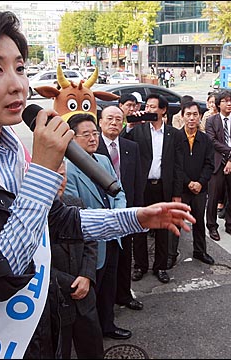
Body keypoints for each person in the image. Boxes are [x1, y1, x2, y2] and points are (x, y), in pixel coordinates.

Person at [0, 9, 195, 358]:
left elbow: (57, 219)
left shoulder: (6, 148)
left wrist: (136, 218)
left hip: (37, 335)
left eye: (19, 67)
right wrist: (44, 170)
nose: (18, 84)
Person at [64, 113, 131, 341]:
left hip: (113, 234)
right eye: (87, 134)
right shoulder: (68, 169)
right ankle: (90, 337)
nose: (93, 138)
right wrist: (105, 222)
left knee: (109, 286)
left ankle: (108, 325)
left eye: (94, 133)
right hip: (89, 242)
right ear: (72, 137)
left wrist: (118, 217)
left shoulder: (102, 160)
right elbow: (74, 211)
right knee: (91, 291)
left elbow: (119, 191)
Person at [123, 93, 185, 284]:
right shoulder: (138, 131)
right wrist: (130, 126)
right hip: (142, 187)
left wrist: (176, 194)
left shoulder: (173, 134)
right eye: (147, 106)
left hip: (163, 188)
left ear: (163, 110)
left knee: (163, 229)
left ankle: (161, 266)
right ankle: (140, 265)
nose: (148, 110)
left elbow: (178, 166)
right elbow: (122, 142)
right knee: (140, 227)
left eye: (153, 107)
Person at [51, 160, 104, 359]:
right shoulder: (30, 214)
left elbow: (90, 240)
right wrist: (72, 284)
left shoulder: (75, 203)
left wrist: (87, 275)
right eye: (54, 175)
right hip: (56, 303)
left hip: (85, 297)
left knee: (93, 349)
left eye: (63, 175)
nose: (60, 181)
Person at [95, 106, 144, 311]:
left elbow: (137, 180)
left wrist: (136, 210)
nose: (114, 123)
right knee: (103, 259)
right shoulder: (92, 146)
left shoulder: (131, 146)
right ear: (100, 122)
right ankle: (101, 302)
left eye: (118, 119)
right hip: (102, 213)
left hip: (126, 210)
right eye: (109, 118)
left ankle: (124, 295)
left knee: (125, 256)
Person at [168, 101, 215, 268]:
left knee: (198, 222)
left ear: (200, 117)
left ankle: (200, 251)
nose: (192, 118)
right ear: (182, 116)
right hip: (181, 189)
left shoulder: (206, 139)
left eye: (195, 114)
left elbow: (210, 164)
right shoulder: (175, 138)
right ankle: (171, 254)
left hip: (200, 189)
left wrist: (200, 183)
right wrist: (188, 183)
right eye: (188, 114)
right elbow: (175, 165)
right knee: (176, 222)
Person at [205, 90, 231, 241]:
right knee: (214, 197)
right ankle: (212, 226)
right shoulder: (211, 120)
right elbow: (212, 141)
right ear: (218, 104)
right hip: (216, 163)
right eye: (225, 101)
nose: (229, 104)